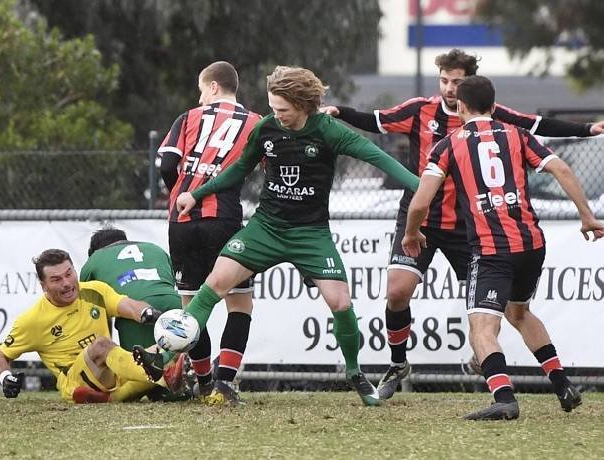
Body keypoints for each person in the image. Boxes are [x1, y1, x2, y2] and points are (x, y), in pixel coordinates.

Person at [321, 48, 604, 399]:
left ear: (468, 86)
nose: (449, 88)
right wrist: (340, 111)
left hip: (468, 227)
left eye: (456, 82)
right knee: (397, 290)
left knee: (490, 310)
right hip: (420, 219)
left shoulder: (490, 117)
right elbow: (375, 120)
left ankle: (486, 357)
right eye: (444, 81)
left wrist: (587, 129)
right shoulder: (420, 111)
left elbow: (537, 123)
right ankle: (398, 364)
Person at [176, 65, 420, 407]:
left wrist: (422, 188)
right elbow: (238, 169)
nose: (276, 115)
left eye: (283, 110)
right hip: (266, 228)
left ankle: (354, 372)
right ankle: (170, 348)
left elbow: (381, 160)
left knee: (341, 303)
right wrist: (198, 194)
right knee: (215, 283)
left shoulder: (329, 131)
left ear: (304, 105)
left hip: (311, 234)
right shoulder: (266, 129)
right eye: (273, 108)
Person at [402, 75, 604, 420]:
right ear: (494, 106)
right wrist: (587, 216)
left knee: (482, 328)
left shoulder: (448, 145)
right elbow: (562, 169)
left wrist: (410, 234)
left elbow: (420, 203)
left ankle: (504, 398)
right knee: (519, 313)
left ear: (461, 107)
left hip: (492, 249)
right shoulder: (518, 135)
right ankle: (562, 385)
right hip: (531, 244)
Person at [158, 61, 261, 404]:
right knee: (239, 303)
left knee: (190, 304)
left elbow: (167, 164)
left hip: (182, 221)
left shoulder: (188, 117)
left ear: (214, 87)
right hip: (225, 219)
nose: (199, 96)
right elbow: (269, 168)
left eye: (201, 89)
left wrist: (179, 195)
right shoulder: (255, 122)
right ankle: (225, 383)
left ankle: (202, 382)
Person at [0, 249, 177, 404]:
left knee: (175, 344)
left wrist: (150, 313)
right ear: (43, 285)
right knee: (102, 345)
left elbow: (130, 306)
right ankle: (159, 374)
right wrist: (5, 377)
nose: (67, 283)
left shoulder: (94, 290)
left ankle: (115, 397)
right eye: (56, 279)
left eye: (69, 274)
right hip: (75, 382)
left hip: (112, 374)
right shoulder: (32, 319)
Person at [80, 227, 186, 401]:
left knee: (142, 374)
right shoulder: (155, 249)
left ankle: (158, 385)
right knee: (169, 360)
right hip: (174, 301)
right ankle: (186, 375)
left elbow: (92, 314)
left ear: (94, 251)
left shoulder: (94, 261)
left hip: (134, 310)